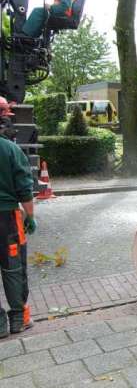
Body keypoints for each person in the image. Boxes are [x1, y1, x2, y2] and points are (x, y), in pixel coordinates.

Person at [0, 116, 36, 337]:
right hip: (7, 218)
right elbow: (24, 187)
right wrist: (30, 216)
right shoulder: (10, 150)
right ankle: (18, 319)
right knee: (13, 267)